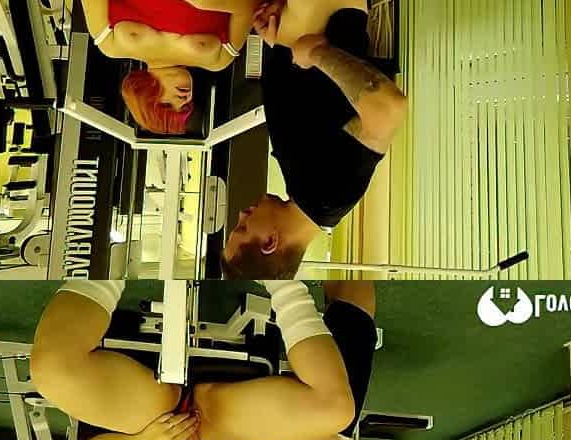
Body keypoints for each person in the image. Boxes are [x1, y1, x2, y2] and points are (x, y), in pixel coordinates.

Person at [30, 280, 377, 440]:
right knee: (333, 412)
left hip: (146, 418)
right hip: (211, 421)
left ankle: (107, 254)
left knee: (52, 370)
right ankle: (283, 274)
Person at [220, 0, 408, 279]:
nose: (241, 215)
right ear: (270, 242)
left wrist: (277, 43)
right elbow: (389, 110)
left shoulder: (303, 190)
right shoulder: (330, 195)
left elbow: (307, 98)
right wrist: (319, 53)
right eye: (243, 228)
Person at [81, 0, 257, 134]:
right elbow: (250, 7)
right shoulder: (219, 60)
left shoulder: (110, 44)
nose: (183, 100)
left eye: (166, 105)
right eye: (185, 107)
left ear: (144, 96)